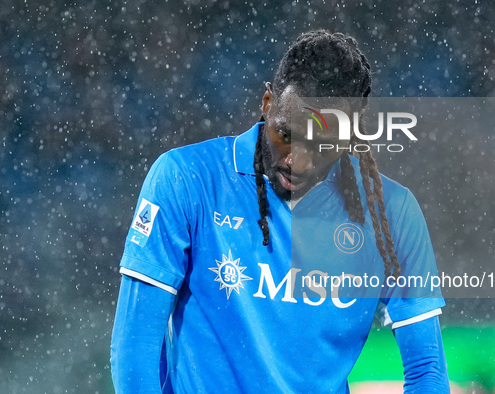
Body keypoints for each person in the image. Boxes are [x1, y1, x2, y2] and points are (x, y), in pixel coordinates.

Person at [111, 30, 450, 393]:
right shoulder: (186, 178)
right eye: (286, 134)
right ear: (267, 102)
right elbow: (135, 351)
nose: (297, 161)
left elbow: (427, 370)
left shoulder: (392, 214)